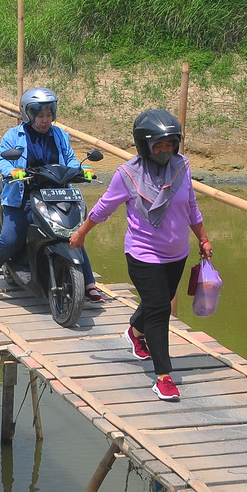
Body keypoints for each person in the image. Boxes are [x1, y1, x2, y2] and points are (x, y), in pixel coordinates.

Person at [70, 109, 213, 401]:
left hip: (178, 254)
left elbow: (191, 207)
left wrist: (203, 238)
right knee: (160, 310)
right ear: (144, 145)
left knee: (154, 305)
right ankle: (164, 377)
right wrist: (82, 232)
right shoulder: (128, 175)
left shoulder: (181, 167)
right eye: (158, 145)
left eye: (170, 144)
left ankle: (135, 333)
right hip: (144, 254)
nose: (164, 151)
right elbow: (103, 208)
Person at [0, 87, 103, 302]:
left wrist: (82, 170)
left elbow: (70, 159)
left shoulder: (60, 135)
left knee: (72, 231)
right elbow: (3, 160)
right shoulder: (14, 135)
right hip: (22, 195)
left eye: (48, 115)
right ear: (29, 114)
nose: (45, 120)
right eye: (40, 115)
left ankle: (89, 282)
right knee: (10, 238)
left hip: (56, 194)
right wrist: (12, 171)